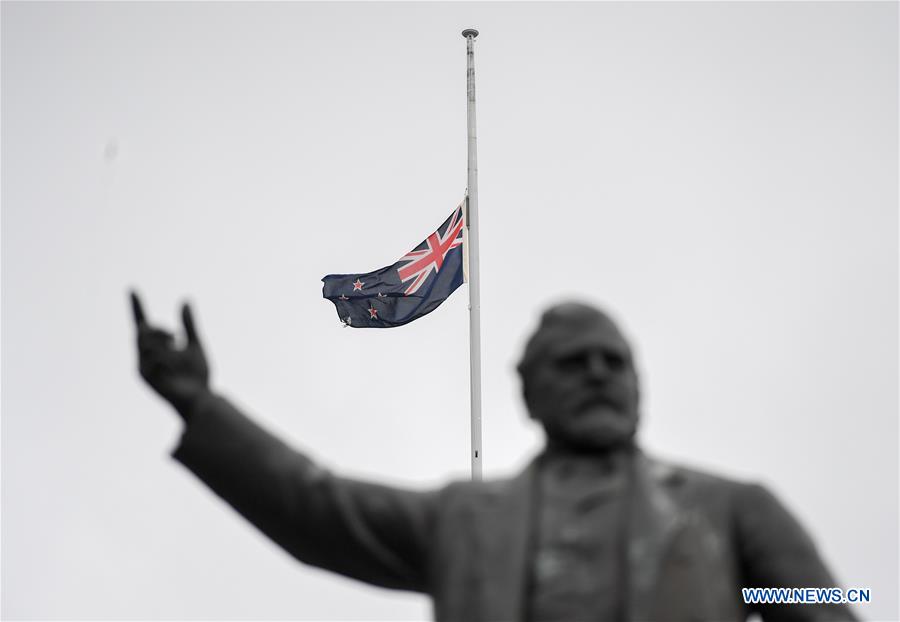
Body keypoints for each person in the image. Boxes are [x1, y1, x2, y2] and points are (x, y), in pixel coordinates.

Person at [129, 292, 856, 622]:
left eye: (614, 362)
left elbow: (821, 606)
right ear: (529, 393)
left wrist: (750, 593)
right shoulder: (465, 520)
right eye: (573, 363)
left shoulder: (731, 510)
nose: (598, 374)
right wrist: (201, 406)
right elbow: (318, 508)